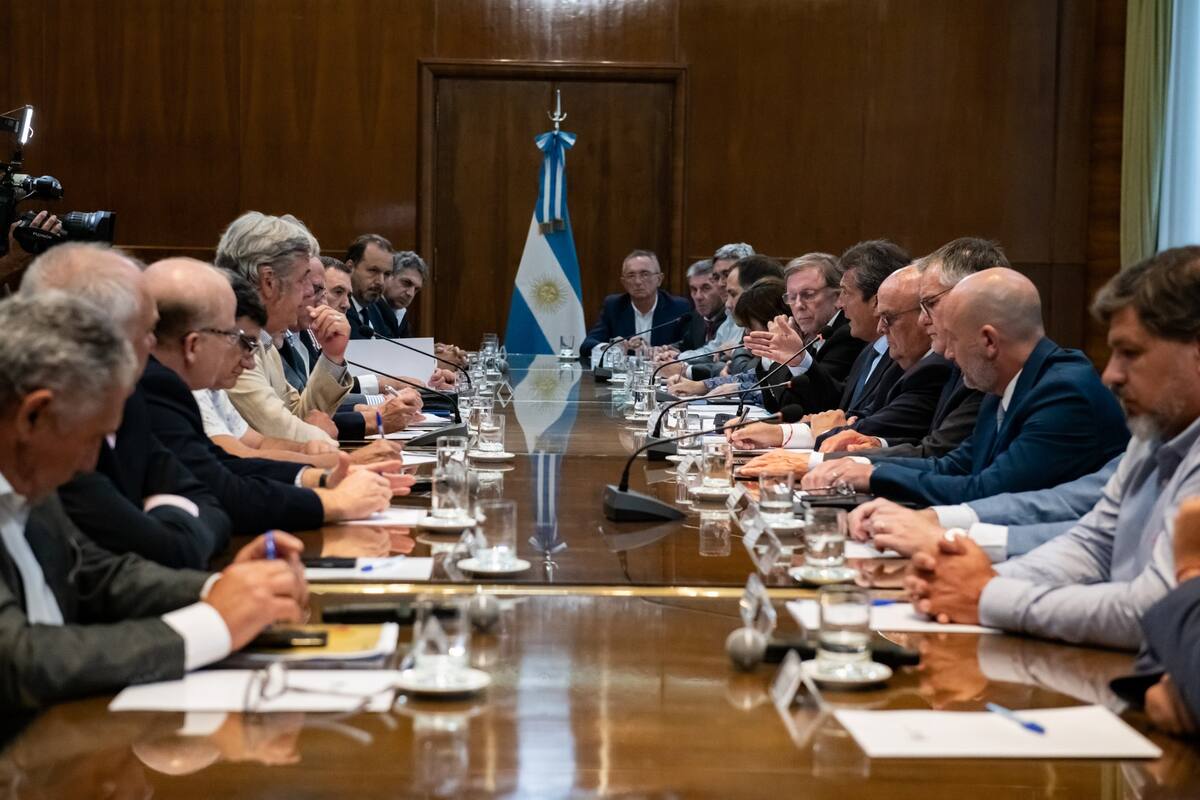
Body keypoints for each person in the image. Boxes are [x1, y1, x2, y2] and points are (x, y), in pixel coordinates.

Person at [0, 291, 307, 709]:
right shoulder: (37, 474)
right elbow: (20, 659)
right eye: (92, 438)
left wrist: (222, 588)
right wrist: (215, 624)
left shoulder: (29, 476)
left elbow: (98, 576)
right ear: (33, 415)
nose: (91, 462)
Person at [902, 247, 1200, 650]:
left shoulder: (1070, 390)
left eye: (1130, 353)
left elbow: (1154, 610)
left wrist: (988, 595)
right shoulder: (1154, 436)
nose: (1111, 374)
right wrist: (969, 582)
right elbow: (1092, 544)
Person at [802, 267, 1129, 504]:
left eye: (953, 340)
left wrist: (870, 475)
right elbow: (955, 464)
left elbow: (990, 488)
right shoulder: (1006, 380)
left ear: (988, 341)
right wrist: (856, 468)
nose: (944, 353)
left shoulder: (1063, 392)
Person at [140, 258, 414, 535]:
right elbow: (223, 481)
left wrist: (321, 474)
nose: (310, 296)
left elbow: (236, 456)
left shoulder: (191, 379)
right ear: (268, 281)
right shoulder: (156, 385)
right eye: (304, 282)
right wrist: (332, 497)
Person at [22, 243, 232, 569]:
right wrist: (171, 512)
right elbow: (171, 552)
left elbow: (211, 504)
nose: (154, 343)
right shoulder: (53, 430)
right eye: (148, 330)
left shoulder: (130, 401)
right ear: (106, 339)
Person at [819, 237, 1001, 460]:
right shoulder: (959, 364)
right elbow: (939, 449)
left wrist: (859, 465)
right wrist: (875, 444)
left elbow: (948, 460)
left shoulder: (954, 367)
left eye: (930, 304)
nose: (924, 320)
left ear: (972, 299)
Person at [736, 265, 950, 452]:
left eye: (845, 293)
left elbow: (867, 424)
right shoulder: (874, 349)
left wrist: (783, 432)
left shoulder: (927, 366)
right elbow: (849, 412)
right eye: (791, 297)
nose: (841, 303)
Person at [656, 242, 756, 377]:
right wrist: (677, 358)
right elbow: (712, 351)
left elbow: (746, 371)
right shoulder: (730, 312)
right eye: (716, 277)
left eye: (727, 274)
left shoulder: (761, 313)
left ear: (749, 275)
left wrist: (684, 369)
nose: (721, 283)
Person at [581, 249, 692, 358]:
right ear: (623, 282)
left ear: (659, 279)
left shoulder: (678, 307)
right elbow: (587, 345)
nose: (638, 282)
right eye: (631, 275)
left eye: (645, 274)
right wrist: (611, 348)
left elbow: (690, 347)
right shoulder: (614, 305)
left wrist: (664, 350)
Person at [343, 233, 399, 339]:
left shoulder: (380, 309)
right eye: (373, 270)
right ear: (350, 268)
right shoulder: (337, 308)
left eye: (387, 274)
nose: (381, 282)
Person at [667, 259, 725, 353]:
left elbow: (711, 357)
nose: (698, 296)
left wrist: (680, 358)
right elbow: (686, 345)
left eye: (706, 288)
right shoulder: (697, 317)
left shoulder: (731, 320)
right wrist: (668, 349)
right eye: (694, 289)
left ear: (721, 287)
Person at [383, 250, 427, 338]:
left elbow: (407, 348)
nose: (410, 294)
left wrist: (432, 350)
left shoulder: (400, 312)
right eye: (406, 283)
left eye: (416, 289)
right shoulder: (369, 308)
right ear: (387, 275)